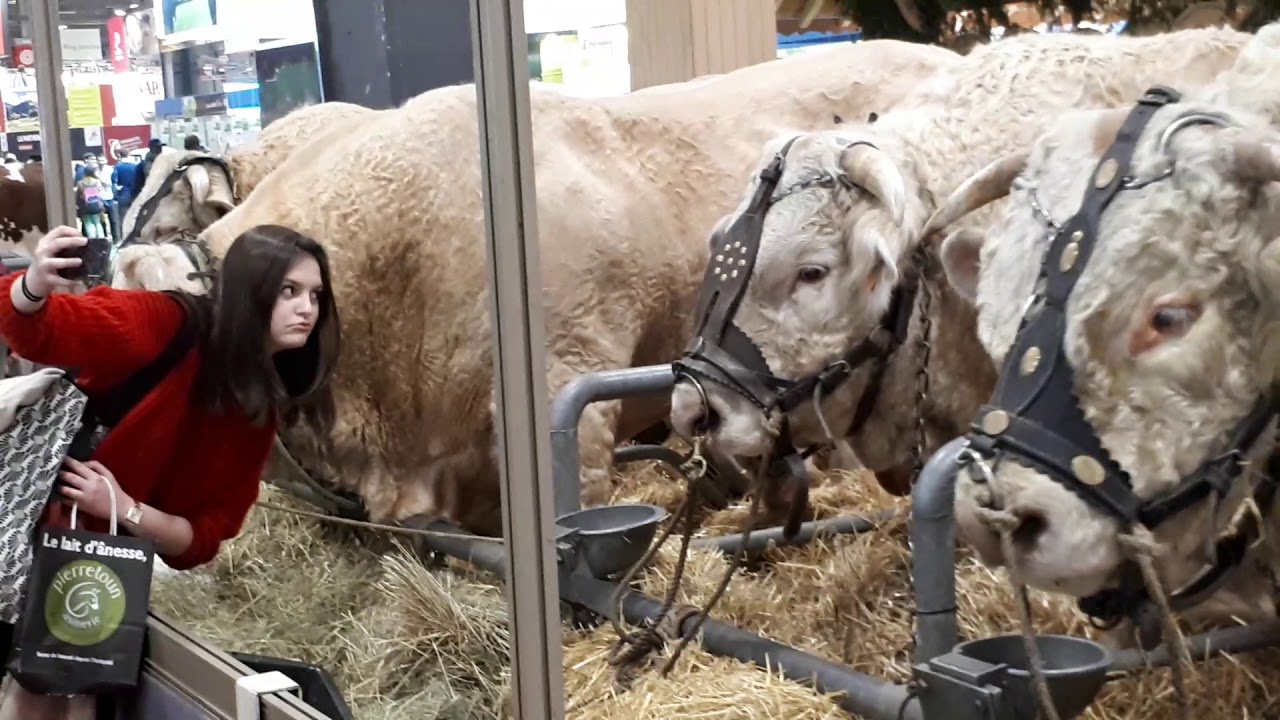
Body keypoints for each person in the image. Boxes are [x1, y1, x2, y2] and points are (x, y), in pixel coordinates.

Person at [0, 223, 341, 713]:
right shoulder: (166, 322)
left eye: (315, 295)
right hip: (34, 527)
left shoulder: (255, 411)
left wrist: (126, 510)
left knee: (69, 702)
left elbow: (201, 540)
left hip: (95, 570)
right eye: (289, 291)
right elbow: (42, 330)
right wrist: (33, 285)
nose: (307, 309)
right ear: (250, 290)